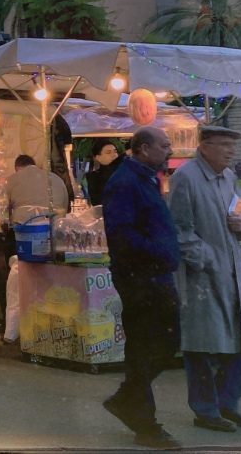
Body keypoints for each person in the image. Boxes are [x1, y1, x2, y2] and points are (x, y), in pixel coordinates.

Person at [168, 125, 241, 433]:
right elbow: (178, 229)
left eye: (232, 146)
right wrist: (203, 259)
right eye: (222, 145)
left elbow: (239, 215)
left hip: (230, 270)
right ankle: (205, 409)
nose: (230, 151)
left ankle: (227, 403)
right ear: (203, 146)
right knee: (202, 345)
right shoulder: (186, 177)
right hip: (201, 277)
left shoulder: (229, 177)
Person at [101, 127, 182, 450]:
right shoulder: (124, 182)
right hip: (140, 277)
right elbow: (120, 233)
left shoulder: (145, 177)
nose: (169, 149)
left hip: (155, 274)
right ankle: (144, 422)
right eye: (164, 145)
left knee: (165, 342)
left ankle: (128, 400)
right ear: (144, 148)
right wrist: (156, 251)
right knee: (147, 345)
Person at [6, 154, 70, 225]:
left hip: (25, 228)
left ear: (17, 168)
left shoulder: (12, 179)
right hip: (55, 225)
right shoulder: (56, 178)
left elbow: (4, 210)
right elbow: (65, 207)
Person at [86, 141, 125, 207]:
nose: (114, 155)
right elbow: (97, 202)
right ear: (98, 157)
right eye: (108, 152)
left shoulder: (125, 173)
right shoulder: (94, 176)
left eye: (115, 152)